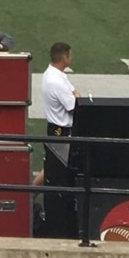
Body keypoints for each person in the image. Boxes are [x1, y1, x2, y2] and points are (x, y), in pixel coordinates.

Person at [40, 42, 81, 237]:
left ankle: (31, 196)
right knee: (59, 176)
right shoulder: (56, 80)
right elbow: (75, 105)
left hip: (58, 130)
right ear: (65, 57)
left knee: (51, 170)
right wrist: (77, 96)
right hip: (61, 132)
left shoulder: (55, 76)